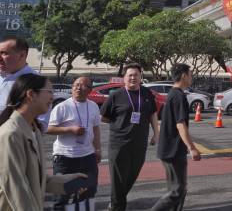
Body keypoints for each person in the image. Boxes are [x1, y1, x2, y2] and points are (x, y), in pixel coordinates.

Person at [0, 74, 87, 210]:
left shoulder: (34, 130)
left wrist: (69, 181)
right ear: (31, 94)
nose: (53, 97)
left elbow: (38, 180)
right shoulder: (11, 134)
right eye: (49, 92)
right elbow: (15, 186)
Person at [101, 63, 160, 211]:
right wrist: (121, 124)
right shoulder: (115, 95)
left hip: (139, 143)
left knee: (132, 175)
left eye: (136, 75)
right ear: (124, 78)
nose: (133, 78)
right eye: (130, 75)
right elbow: (105, 117)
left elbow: (153, 114)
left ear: (141, 77)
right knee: (118, 179)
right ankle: (117, 206)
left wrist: (156, 134)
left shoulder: (147, 93)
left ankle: (116, 201)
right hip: (119, 144)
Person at [151, 63, 202, 211]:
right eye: (190, 74)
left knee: (179, 189)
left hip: (170, 150)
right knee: (177, 191)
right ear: (184, 75)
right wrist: (192, 148)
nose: (191, 77)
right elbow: (181, 125)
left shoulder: (173, 94)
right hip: (172, 151)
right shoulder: (178, 96)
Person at [47, 76, 102, 210]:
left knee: (88, 192)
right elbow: (49, 129)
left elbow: (96, 129)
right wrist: (70, 129)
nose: (78, 87)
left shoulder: (93, 106)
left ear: (89, 90)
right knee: (62, 195)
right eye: (76, 85)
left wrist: (98, 149)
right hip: (65, 157)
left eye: (82, 85)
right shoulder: (62, 107)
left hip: (87, 156)